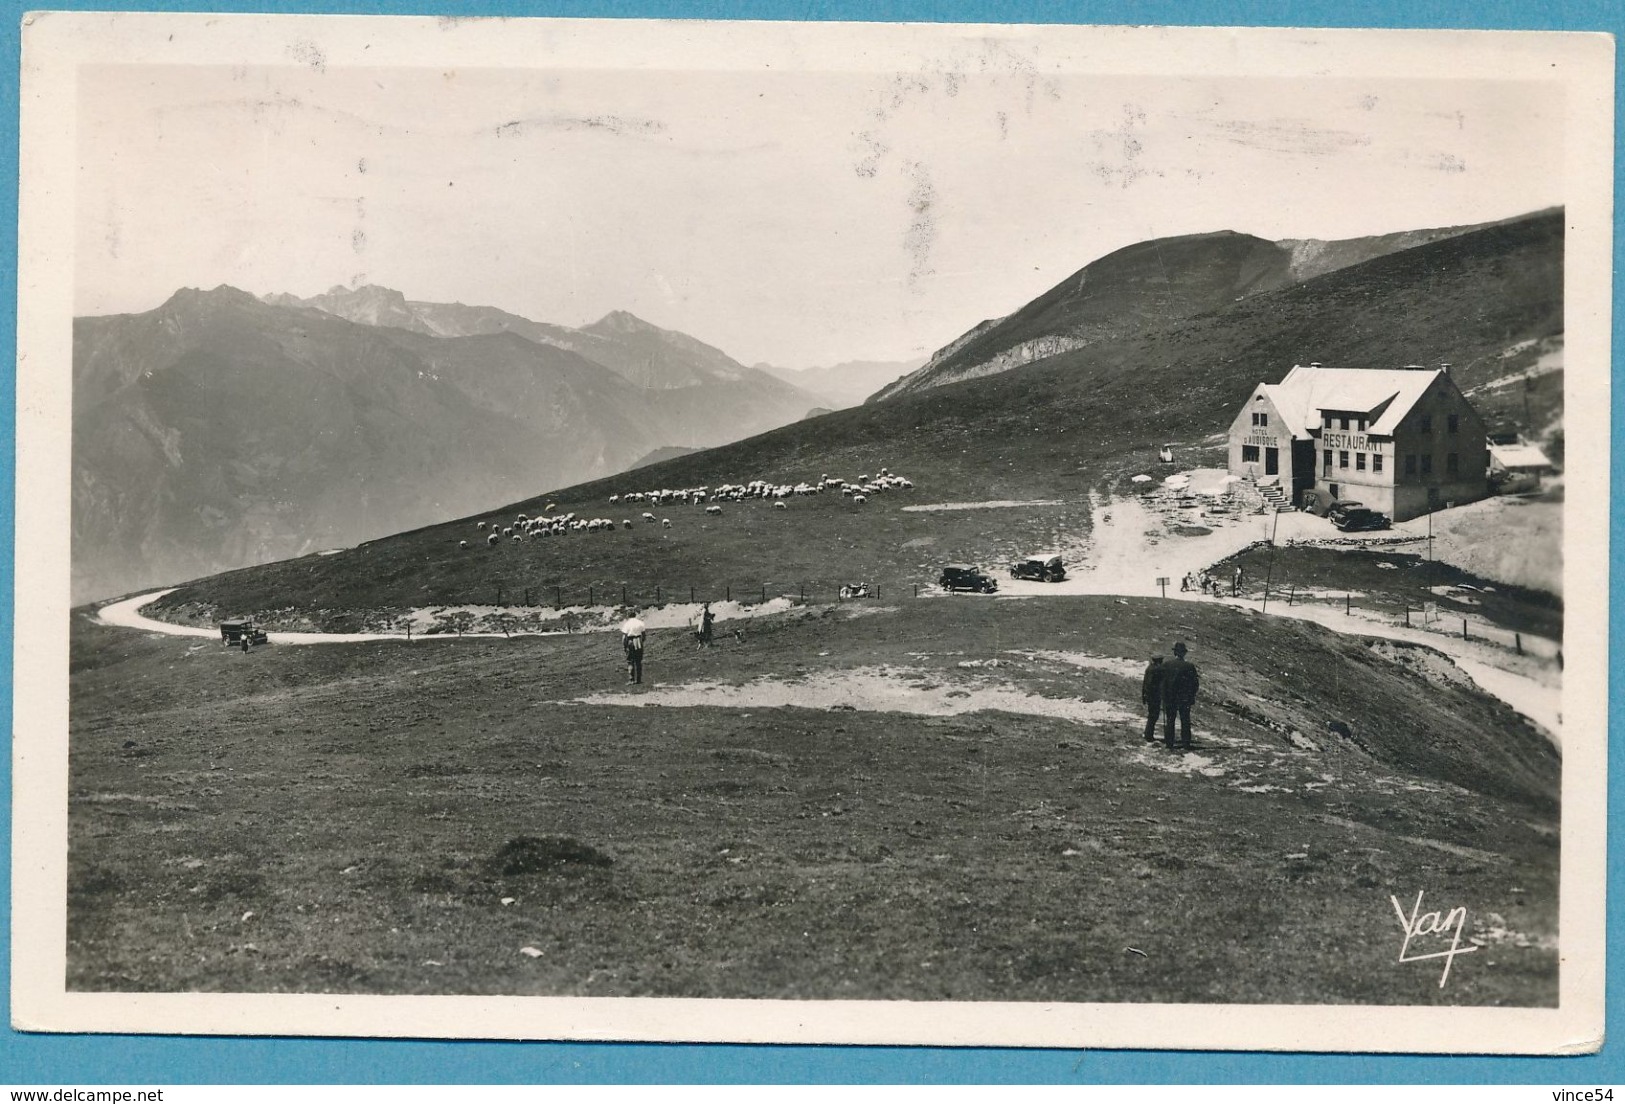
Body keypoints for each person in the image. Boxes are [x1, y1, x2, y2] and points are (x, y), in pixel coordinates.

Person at [1161, 641, 1200, 750]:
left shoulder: (1167, 665)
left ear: (1175, 653)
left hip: (1170, 698)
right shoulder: (1189, 666)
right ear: (1184, 653)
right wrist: (1191, 695)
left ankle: (1169, 743)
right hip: (1184, 699)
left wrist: (1163, 696)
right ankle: (1186, 743)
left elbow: (1163, 683)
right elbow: (1195, 684)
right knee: (1185, 720)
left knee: (1170, 720)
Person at [1140, 654, 1165, 741]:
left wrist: (1144, 695)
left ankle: (1148, 733)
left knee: (1152, 715)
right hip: (1153, 696)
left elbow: (1145, 683)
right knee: (1153, 715)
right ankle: (1148, 735)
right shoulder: (1155, 670)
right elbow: (1151, 684)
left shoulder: (1149, 668)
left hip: (1150, 696)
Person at [621, 616, 646, 684]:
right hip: (638, 641)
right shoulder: (640, 623)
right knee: (638, 661)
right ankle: (639, 679)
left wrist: (624, 646)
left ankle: (631, 679)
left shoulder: (627, 624)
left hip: (631, 641)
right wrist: (641, 642)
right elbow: (644, 635)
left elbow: (624, 637)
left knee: (630, 661)